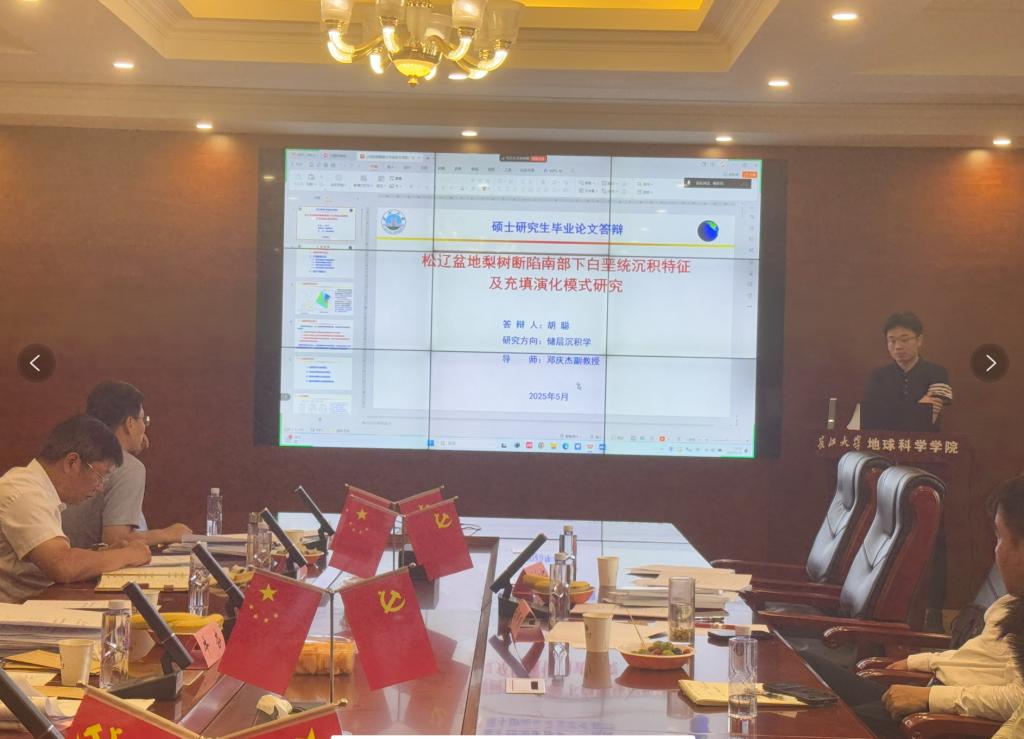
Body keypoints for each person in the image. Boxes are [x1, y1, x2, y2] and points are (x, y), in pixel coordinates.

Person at [804, 477, 1024, 737]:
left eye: (999, 537)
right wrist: (920, 661)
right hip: (936, 694)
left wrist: (931, 698)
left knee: (818, 725)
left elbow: (1016, 700)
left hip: (940, 720)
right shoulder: (1011, 602)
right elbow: (978, 661)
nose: (996, 550)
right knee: (805, 666)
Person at [0, 415, 151, 603]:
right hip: (14, 613)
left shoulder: (40, 491)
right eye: (100, 476)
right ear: (72, 462)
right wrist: (128, 554)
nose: (100, 487)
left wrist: (103, 555)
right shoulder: (23, 493)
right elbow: (63, 565)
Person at [61, 381, 191, 548]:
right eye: (143, 420)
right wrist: (168, 534)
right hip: (94, 564)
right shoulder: (128, 467)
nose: (145, 427)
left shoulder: (71, 456)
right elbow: (116, 540)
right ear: (130, 423)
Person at [862, 311, 952, 431]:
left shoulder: (937, 373)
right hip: (885, 440)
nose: (898, 346)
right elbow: (873, 419)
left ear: (919, 340)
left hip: (924, 440)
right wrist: (917, 408)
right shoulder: (878, 376)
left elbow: (927, 418)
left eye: (904, 340)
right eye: (892, 341)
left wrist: (891, 412)